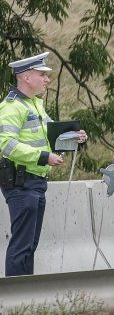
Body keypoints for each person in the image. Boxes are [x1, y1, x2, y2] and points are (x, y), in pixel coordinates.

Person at [0, 52, 87, 276]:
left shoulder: (34, 105)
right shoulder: (12, 107)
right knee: (22, 247)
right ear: (26, 77)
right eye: (42, 74)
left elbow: (51, 134)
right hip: (21, 183)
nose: (47, 79)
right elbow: (6, 145)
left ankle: (27, 293)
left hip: (35, 183)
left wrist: (74, 136)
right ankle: (15, 295)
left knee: (29, 246)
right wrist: (43, 157)